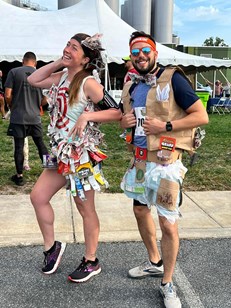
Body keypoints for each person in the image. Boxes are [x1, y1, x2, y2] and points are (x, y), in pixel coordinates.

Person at [120, 31, 209, 308]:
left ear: (155, 53)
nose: (141, 56)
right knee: (139, 209)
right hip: (139, 162)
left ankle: (168, 283)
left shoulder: (173, 79)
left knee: (168, 224)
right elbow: (127, 120)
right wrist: (124, 122)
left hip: (165, 164)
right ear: (131, 56)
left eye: (145, 51)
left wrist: (165, 127)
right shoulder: (132, 86)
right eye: (135, 52)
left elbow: (201, 116)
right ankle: (154, 261)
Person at [27, 33, 122, 283]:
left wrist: (87, 117)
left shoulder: (88, 82)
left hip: (80, 157)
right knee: (38, 197)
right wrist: (61, 61)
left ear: (86, 58)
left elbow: (116, 113)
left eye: (74, 47)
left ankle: (91, 261)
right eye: (67, 44)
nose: (68, 49)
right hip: (60, 154)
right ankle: (51, 248)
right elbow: (33, 78)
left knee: (84, 208)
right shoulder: (60, 77)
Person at [4, 52, 48, 186]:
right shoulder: (41, 74)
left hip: (18, 116)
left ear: (23, 61)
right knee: (41, 145)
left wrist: (12, 105)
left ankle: (19, 177)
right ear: (35, 63)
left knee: (19, 147)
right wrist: (37, 105)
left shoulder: (13, 72)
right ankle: (50, 171)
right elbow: (45, 100)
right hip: (34, 117)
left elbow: (7, 95)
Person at [120, 56, 139, 139]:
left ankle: (129, 132)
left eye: (126, 61)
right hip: (125, 96)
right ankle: (126, 131)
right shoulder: (130, 71)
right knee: (124, 113)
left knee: (128, 113)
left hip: (129, 97)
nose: (125, 63)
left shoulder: (134, 72)